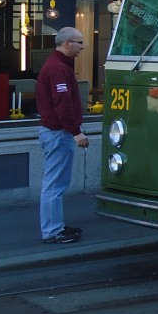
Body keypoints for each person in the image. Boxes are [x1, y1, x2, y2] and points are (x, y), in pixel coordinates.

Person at [36, 26, 88, 244]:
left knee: (55, 183)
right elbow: (63, 105)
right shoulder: (59, 69)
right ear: (67, 43)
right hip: (59, 133)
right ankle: (52, 230)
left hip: (55, 132)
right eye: (79, 43)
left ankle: (56, 225)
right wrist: (76, 132)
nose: (82, 47)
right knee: (55, 184)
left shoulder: (55, 66)